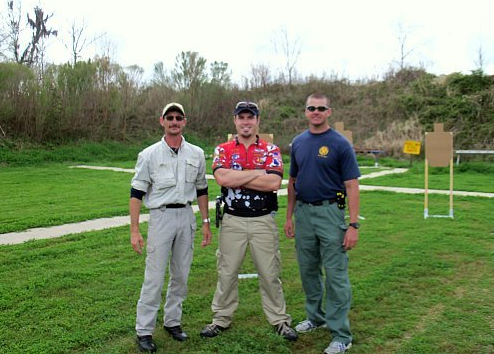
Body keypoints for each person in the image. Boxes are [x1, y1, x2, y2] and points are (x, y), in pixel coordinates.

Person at [200, 101, 298, 341]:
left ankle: (279, 319)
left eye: (250, 117)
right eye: (241, 117)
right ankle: (221, 319)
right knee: (227, 272)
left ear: (257, 121)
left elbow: (274, 183)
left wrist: (238, 178)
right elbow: (222, 178)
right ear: (235, 121)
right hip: (233, 220)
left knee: (269, 272)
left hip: (263, 220)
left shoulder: (270, 150)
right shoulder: (223, 149)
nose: (246, 121)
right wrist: (256, 173)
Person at [129, 102, 212, 353]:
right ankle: (144, 330)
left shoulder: (196, 153)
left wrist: (206, 222)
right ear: (162, 121)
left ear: (184, 121)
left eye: (179, 117)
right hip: (161, 218)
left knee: (181, 276)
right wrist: (134, 229)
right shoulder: (149, 154)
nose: (174, 121)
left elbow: (202, 189)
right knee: (154, 278)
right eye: (170, 117)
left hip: (186, 216)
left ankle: (172, 322)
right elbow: (136, 193)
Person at [284, 93, 360, 354]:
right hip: (304, 214)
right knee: (308, 270)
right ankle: (315, 318)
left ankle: (341, 334)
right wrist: (289, 216)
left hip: (330, 214)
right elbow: (293, 181)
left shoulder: (340, 144)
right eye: (311, 108)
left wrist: (353, 225)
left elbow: (352, 185)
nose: (315, 112)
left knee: (336, 275)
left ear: (329, 112)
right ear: (305, 111)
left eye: (321, 108)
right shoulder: (299, 143)